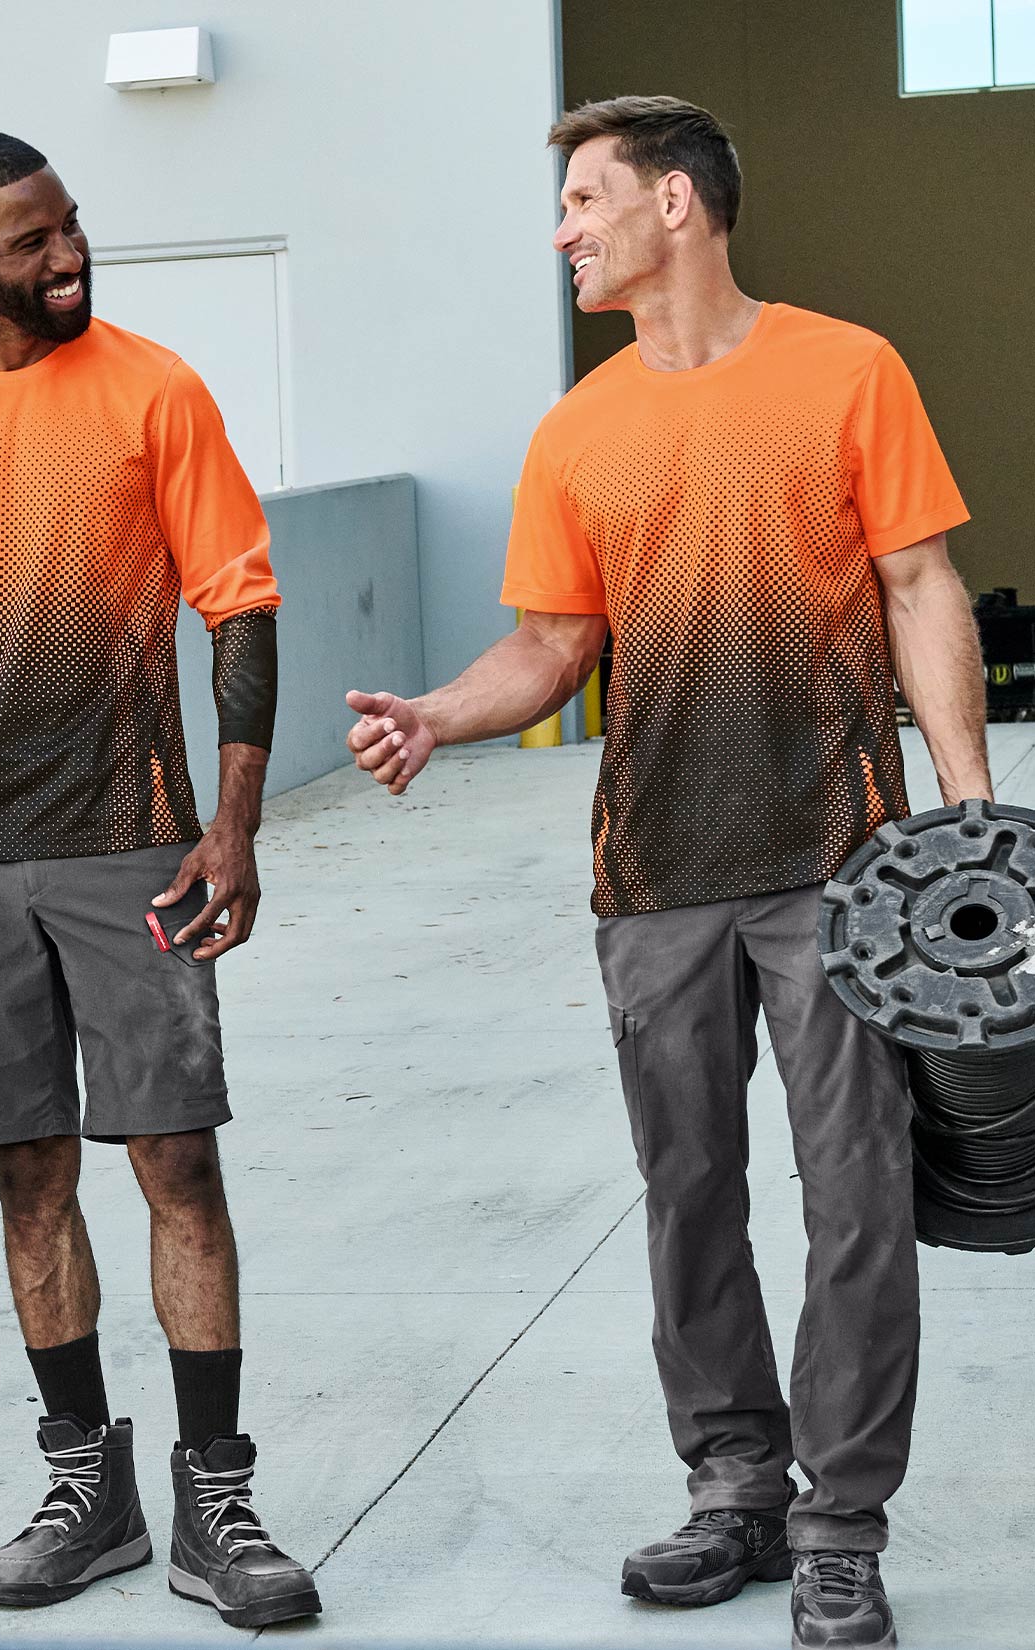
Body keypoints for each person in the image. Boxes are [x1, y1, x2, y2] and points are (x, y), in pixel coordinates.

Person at [345, 96, 990, 1650]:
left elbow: (919, 583)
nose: (564, 228)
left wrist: (968, 816)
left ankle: (843, 1526)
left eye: (585, 198)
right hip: (653, 878)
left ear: (678, 206)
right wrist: (438, 710)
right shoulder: (579, 430)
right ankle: (736, 1487)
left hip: (838, 863)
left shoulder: (849, 369)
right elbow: (556, 647)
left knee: (855, 1203)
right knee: (687, 1194)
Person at [0, 130, 319, 1630]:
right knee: (31, 1175)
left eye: (71, 229)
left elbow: (238, 607)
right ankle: (84, 1484)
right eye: (32, 243)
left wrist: (232, 827)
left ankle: (217, 1497)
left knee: (178, 1164)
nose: (68, 258)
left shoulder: (153, 390)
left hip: (136, 844)